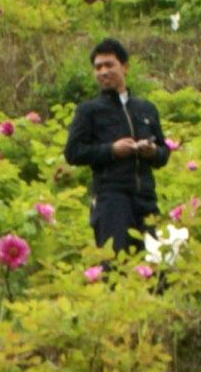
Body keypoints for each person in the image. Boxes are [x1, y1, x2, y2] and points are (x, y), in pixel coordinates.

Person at [64, 38, 170, 249]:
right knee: (114, 267)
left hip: (146, 198)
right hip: (111, 200)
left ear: (125, 67)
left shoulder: (146, 108)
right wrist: (111, 150)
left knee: (154, 265)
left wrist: (152, 152)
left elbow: (164, 152)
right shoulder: (89, 111)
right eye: (98, 67)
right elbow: (73, 152)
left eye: (109, 65)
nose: (103, 72)